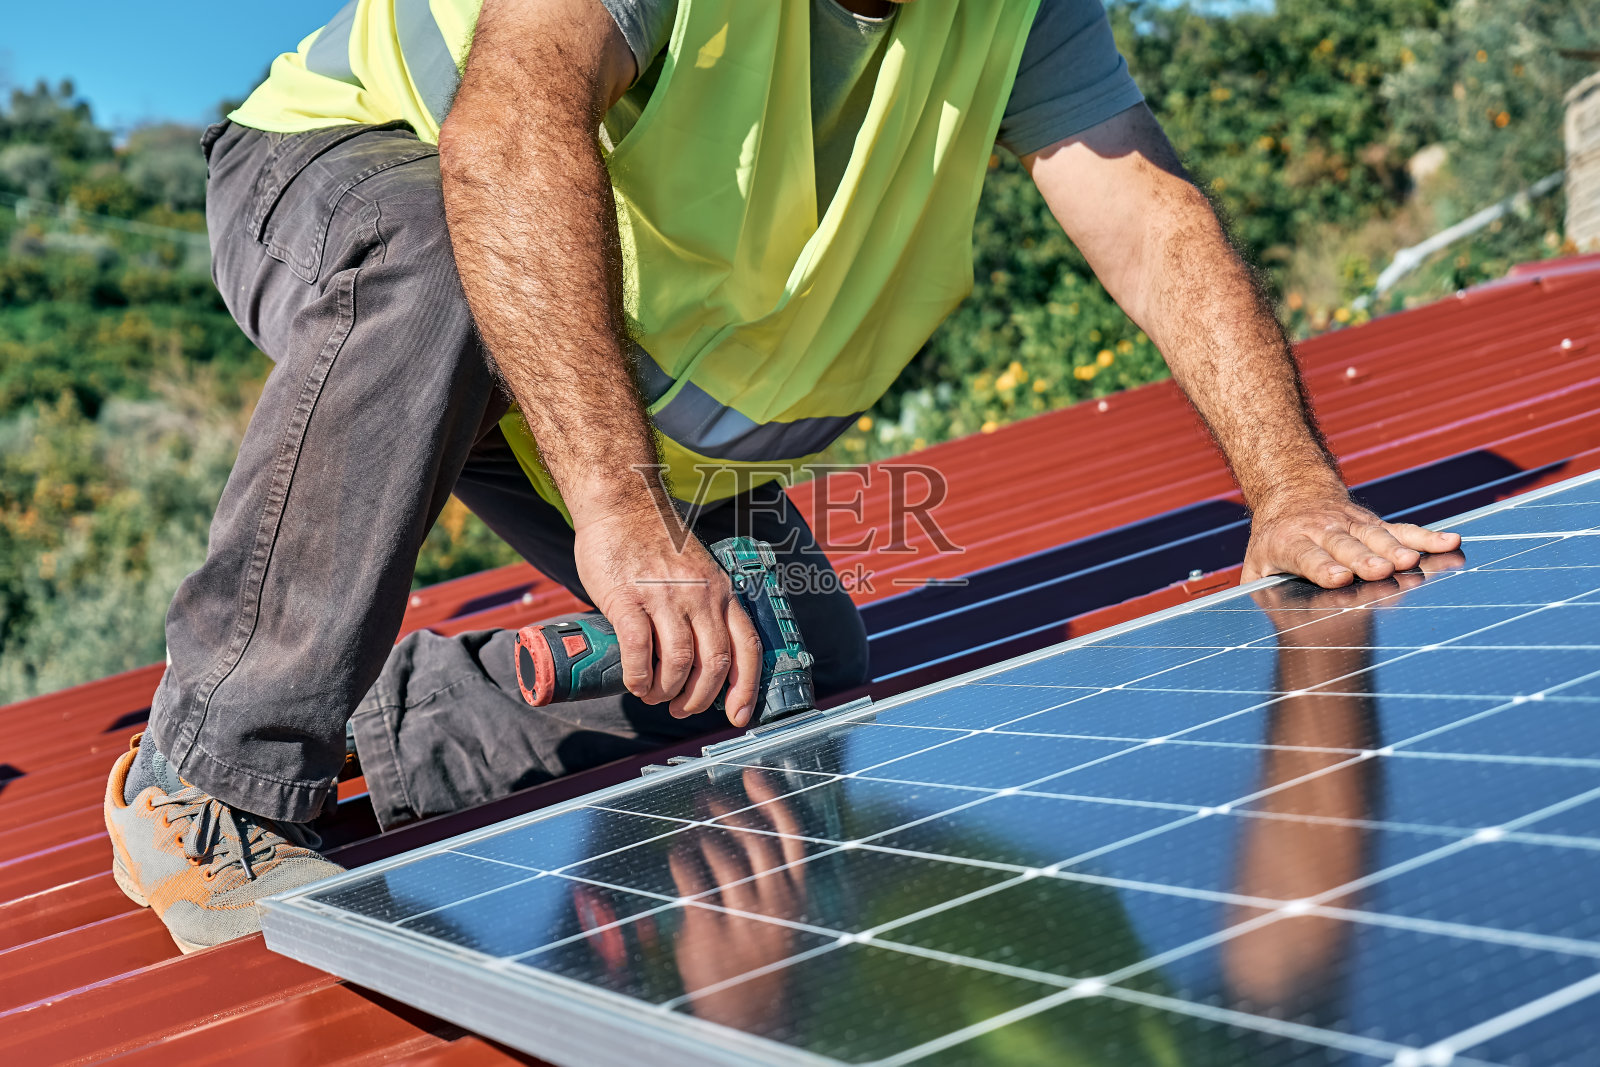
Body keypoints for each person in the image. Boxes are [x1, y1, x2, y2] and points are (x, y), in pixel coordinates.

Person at [103, 0, 1461, 955]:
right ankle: (217, 771)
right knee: (436, 255)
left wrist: (1291, 487)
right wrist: (623, 520)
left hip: (583, 329)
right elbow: (506, 141)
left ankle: (385, 708)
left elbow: (1152, 219)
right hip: (354, 175)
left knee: (790, 667)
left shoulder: (1019, 8)